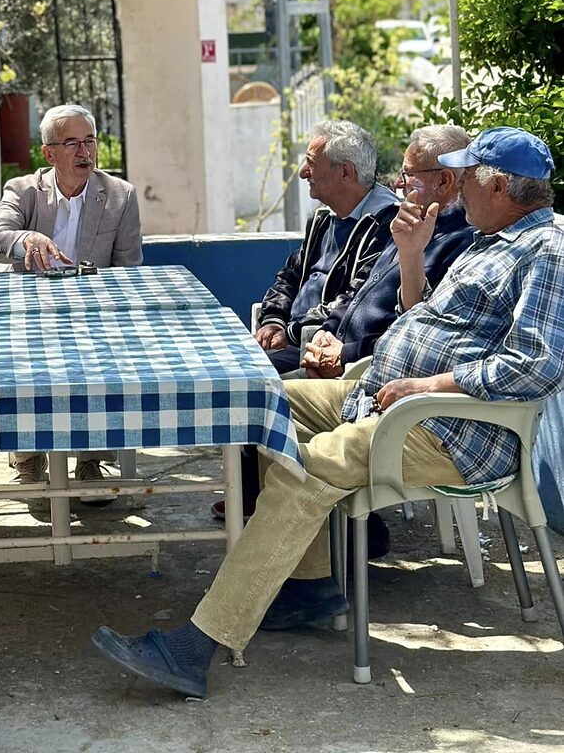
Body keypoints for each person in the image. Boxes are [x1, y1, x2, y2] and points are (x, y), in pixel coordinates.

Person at [92, 127, 564, 700]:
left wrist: (427, 383)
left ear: (498, 185)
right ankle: (309, 586)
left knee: (306, 466)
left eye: (467, 177)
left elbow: (537, 365)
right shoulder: (490, 238)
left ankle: (197, 647)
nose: (458, 188)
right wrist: (411, 257)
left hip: (453, 427)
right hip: (389, 395)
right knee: (258, 405)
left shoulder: (548, 250)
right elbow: (420, 315)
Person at [0, 102, 142, 493]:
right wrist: (26, 239)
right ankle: (28, 456)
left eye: (90, 141)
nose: (84, 152)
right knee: (20, 358)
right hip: (26, 309)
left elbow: (127, 272)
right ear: (49, 153)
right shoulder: (23, 190)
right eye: (72, 143)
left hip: (89, 310)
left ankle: (90, 460)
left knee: (105, 354)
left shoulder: (120, 195)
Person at [301, 124, 476, 377]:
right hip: (331, 355)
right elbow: (358, 287)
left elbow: (416, 332)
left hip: (367, 373)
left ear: (443, 180)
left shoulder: (461, 244)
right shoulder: (409, 222)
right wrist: (326, 331)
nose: (397, 183)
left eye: (407, 175)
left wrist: (345, 355)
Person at [254, 120, 398, 374]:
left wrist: (290, 333)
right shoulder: (324, 218)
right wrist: (273, 320)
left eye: (311, 163)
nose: (303, 173)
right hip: (291, 338)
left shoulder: (385, 223)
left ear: (345, 172)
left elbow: (356, 298)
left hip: (319, 346)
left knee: (245, 375)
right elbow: (291, 275)